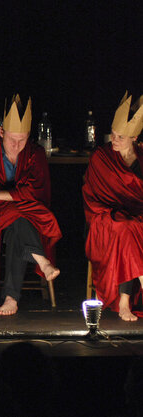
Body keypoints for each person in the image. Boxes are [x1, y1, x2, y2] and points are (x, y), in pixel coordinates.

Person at [0, 95, 61, 315]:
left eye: (22, 140)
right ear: (1, 132)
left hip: (32, 212)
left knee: (17, 223)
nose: (16, 145)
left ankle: (11, 298)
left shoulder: (35, 153)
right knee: (15, 214)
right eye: (12, 139)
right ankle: (41, 260)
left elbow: (33, 192)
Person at [83, 92, 143, 321]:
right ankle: (125, 300)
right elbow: (93, 198)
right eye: (113, 134)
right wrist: (117, 214)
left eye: (120, 137)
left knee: (132, 228)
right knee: (126, 228)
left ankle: (126, 299)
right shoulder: (101, 156)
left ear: (134, 138)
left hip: (135, 219)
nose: (113, 139)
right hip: (107, 220)